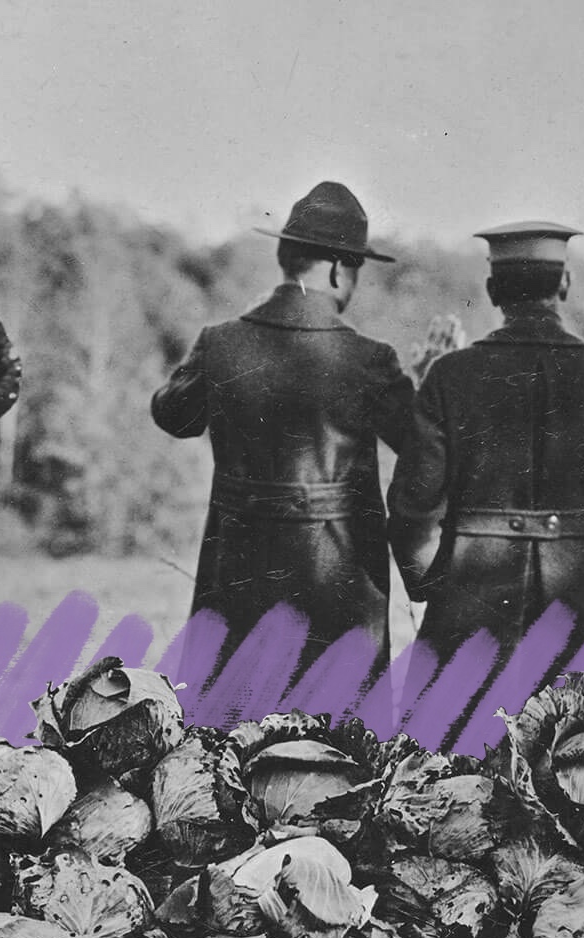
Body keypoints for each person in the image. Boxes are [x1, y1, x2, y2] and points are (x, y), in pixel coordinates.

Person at [387, 221, 584, 685]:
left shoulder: (449, 375)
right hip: (580, 601)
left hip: (467, 599)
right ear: (564, 284)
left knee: (456, 729)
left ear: (492, 289)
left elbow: (412, 506)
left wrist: (434, 587)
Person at [151, 182, 415, 683]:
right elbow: (420, 442)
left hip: (236, 580)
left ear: (284, 257)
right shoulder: (371, 360)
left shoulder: (220, 343)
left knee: (229, 719)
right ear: (338, 270)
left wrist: (235, 341)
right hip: (338, 588)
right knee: (339, 722)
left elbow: (172, 415)